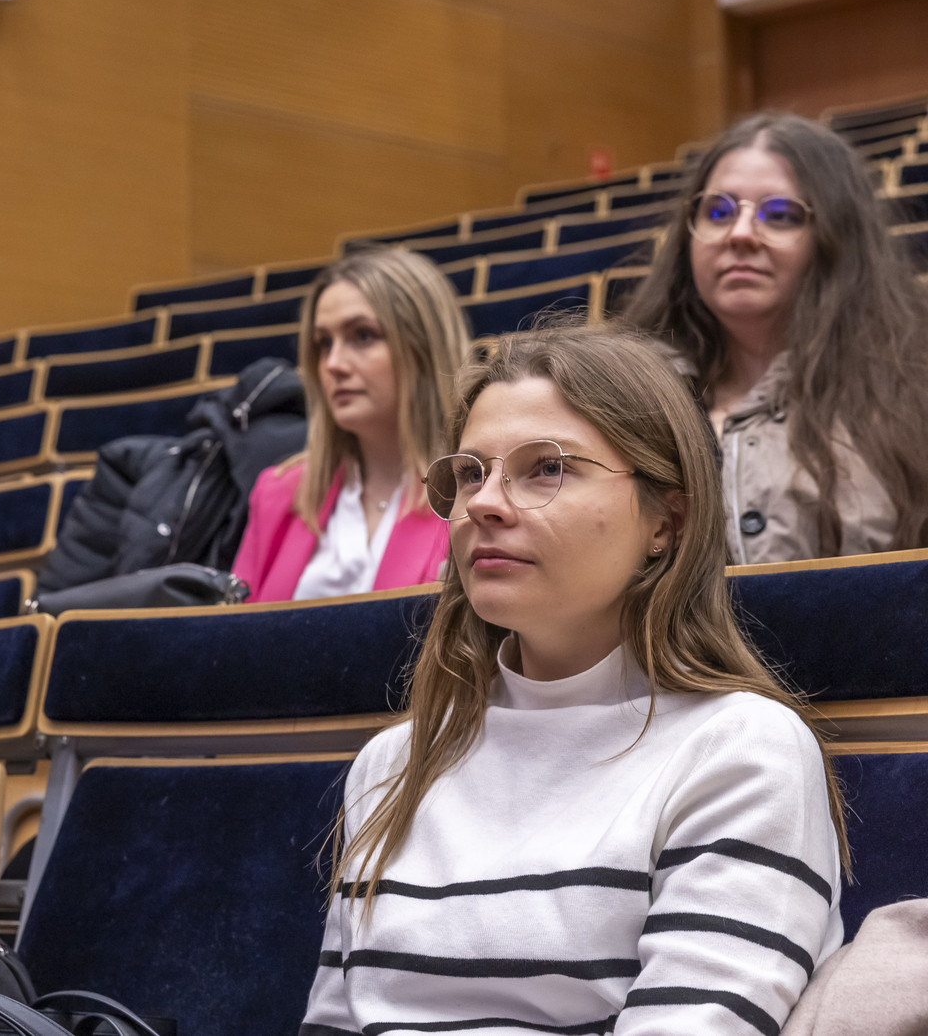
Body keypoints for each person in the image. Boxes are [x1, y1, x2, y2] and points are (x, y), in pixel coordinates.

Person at [300, 327, 847, 1036]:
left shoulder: (741, 752)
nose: (484, 504)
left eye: (546, 469)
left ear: (668, 520)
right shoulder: (394, 762)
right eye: (470, 473)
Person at [623, 111, 928, 565]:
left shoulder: (913, 388)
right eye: (718, 212)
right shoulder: (630, 397)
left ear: (835, 239)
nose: (740, 234)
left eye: (780, 215)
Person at [232, 246, 471, 601]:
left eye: (362, 335)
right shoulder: (279, 493)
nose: (333, 364)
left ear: (424, 349)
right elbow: (235, 628)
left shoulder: (473, 495)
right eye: (324, 344)